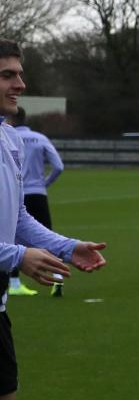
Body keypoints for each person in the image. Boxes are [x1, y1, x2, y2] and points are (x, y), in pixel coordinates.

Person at [0, 39, 107, 400]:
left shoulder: (11, 139)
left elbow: (17, 217)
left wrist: (66, 245)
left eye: (19, 73)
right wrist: (16, 258)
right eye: (7, 75)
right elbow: (13, 241)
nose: (19, 84)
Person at [6, 107, 63, 297]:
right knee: (46, 234)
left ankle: (14, 283)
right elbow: (58, 166)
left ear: (12, 118)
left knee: (11, 237)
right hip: (38, 193)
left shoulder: (8, 136)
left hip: (15, 194)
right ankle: (58, 275)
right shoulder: (40, 138)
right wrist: (44, 183)